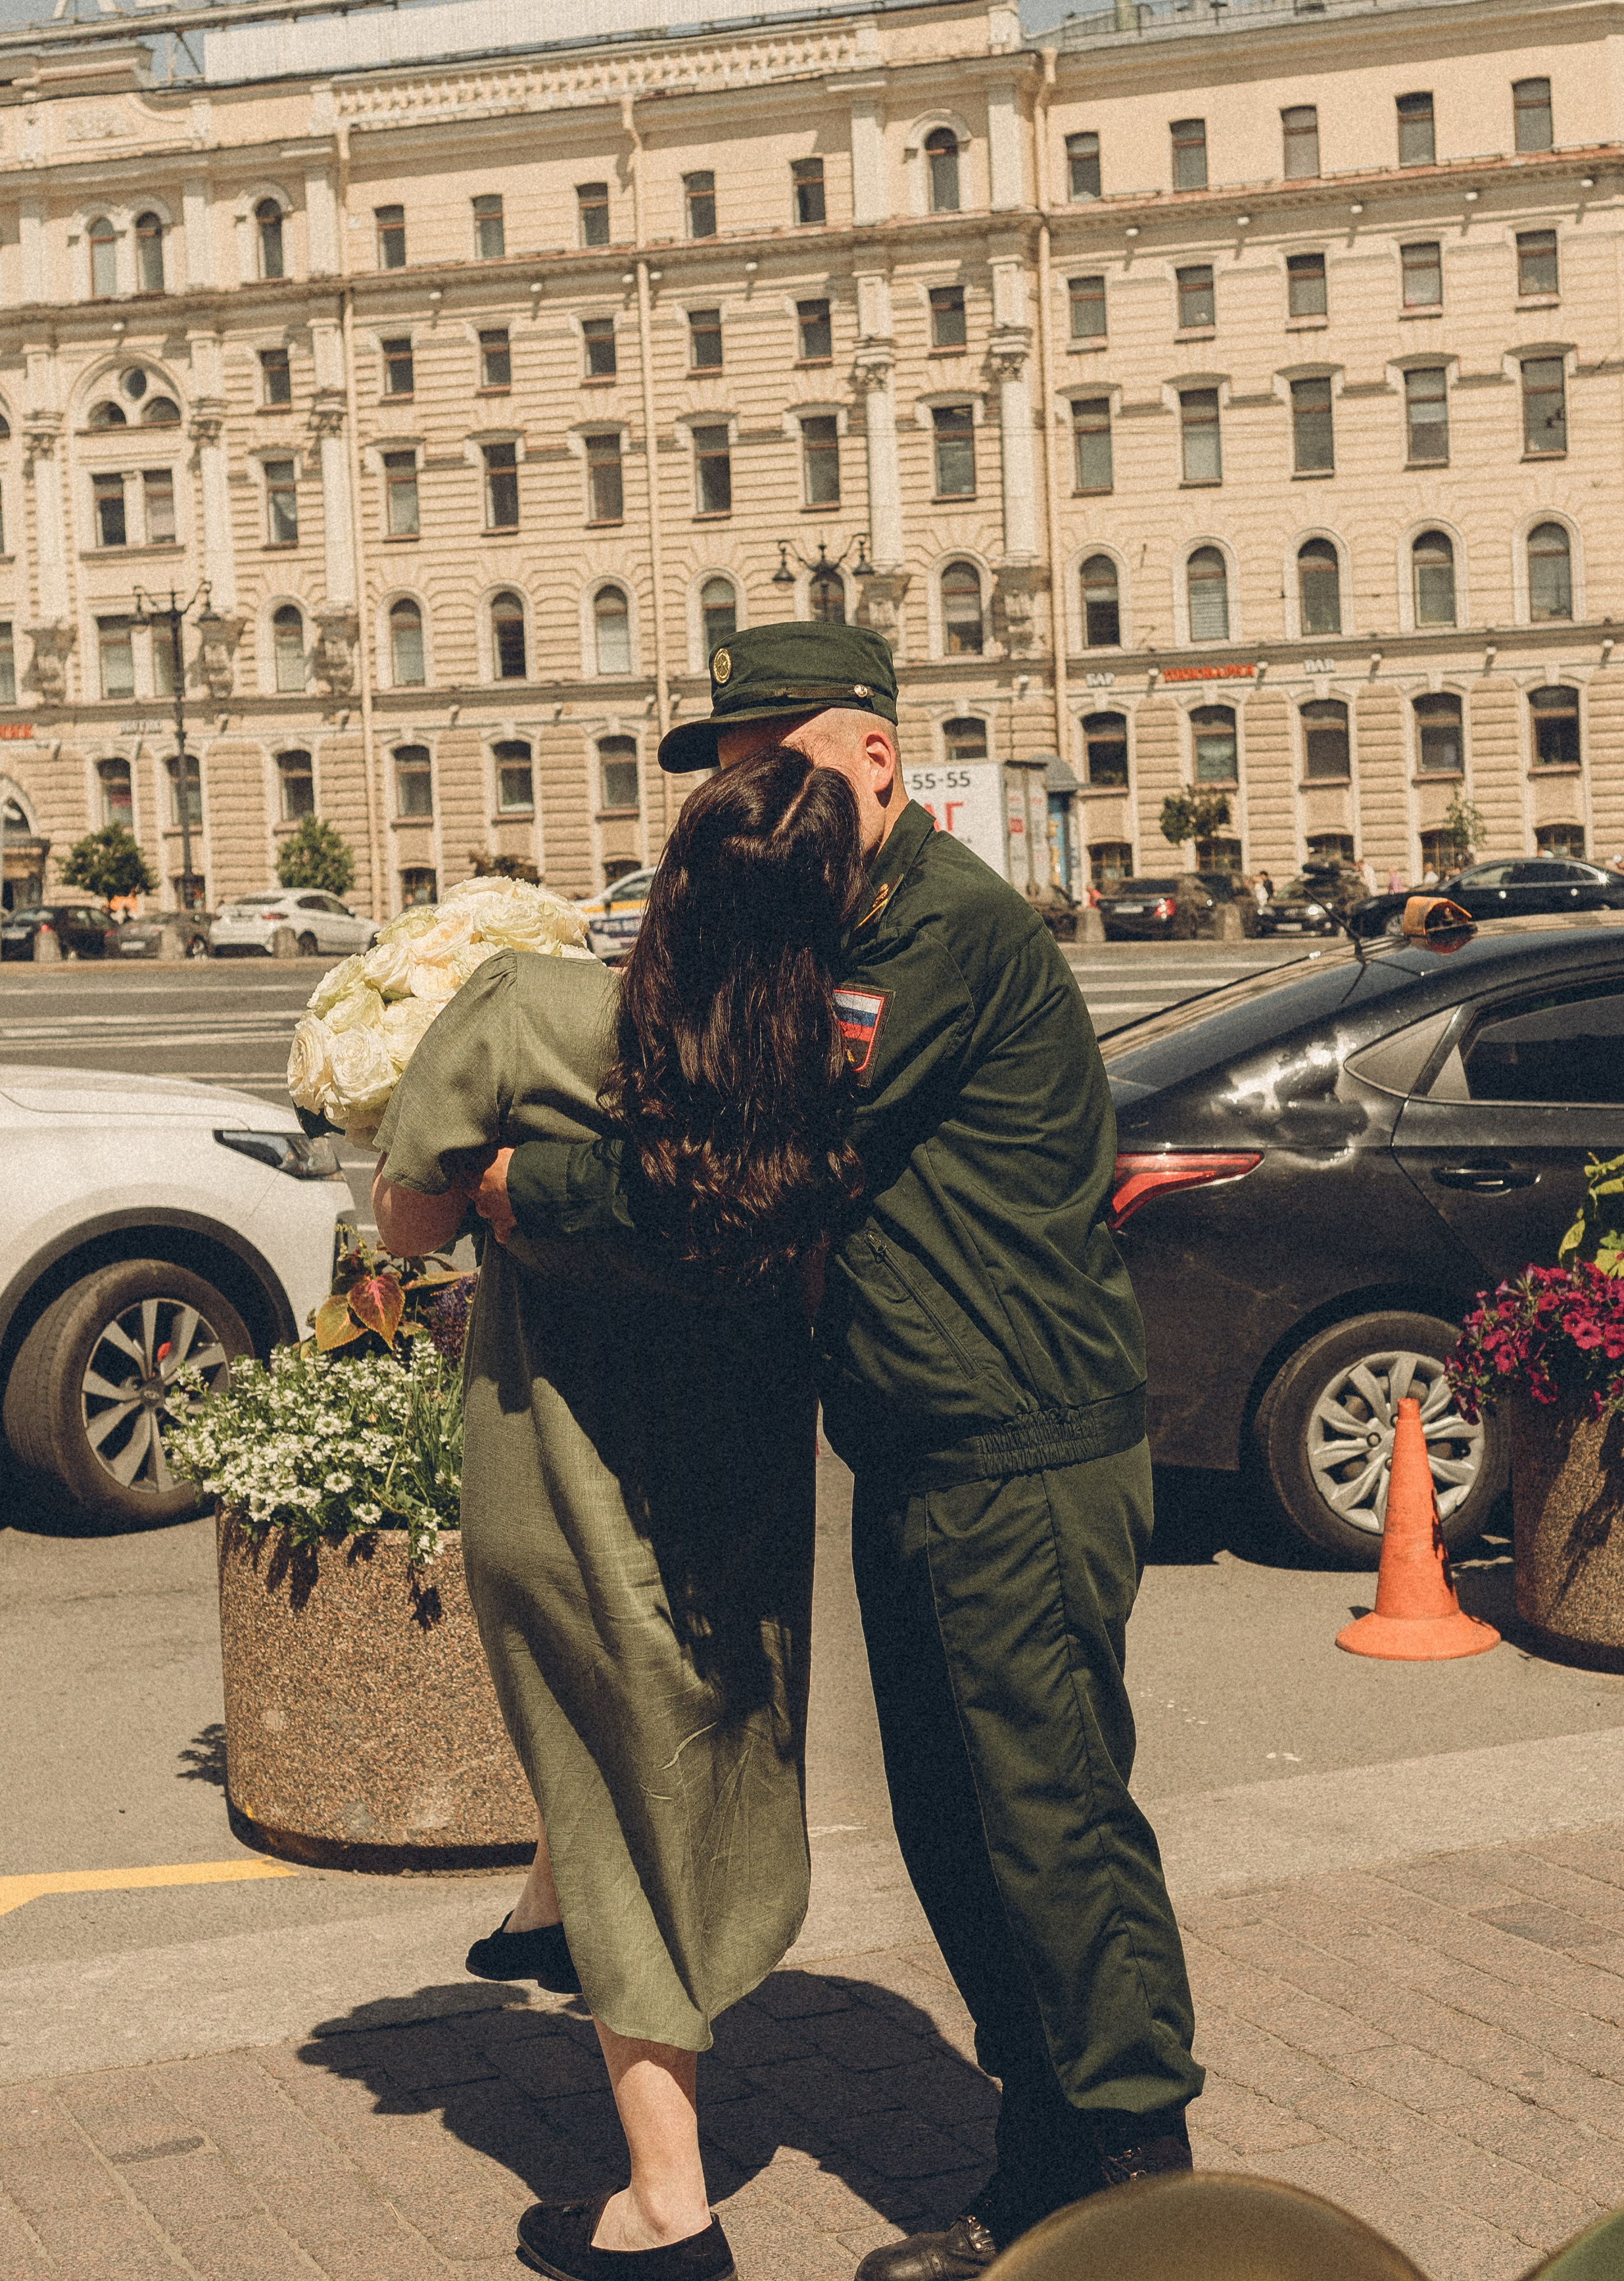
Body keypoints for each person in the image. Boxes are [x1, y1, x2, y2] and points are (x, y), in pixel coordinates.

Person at [487, 624, 1204, 2277]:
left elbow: (765, 1152)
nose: (753, 799)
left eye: (775, 763)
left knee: (1050, 1828)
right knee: (963, 1835)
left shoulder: (937, 934)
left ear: (875, 759)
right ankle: (1045, 2178)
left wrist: (533, 1192)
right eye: (731, 776)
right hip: (925, 1448)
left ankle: (1140, 2201)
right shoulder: (838, 924)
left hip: (1016, 1454)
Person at [374, 749, 868, 2281]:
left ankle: (666, 2205)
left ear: (669, 888)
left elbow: (407, 1216)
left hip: (561, 1472)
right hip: (739, 1483)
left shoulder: (525, 1010)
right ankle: (555, 1911)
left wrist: (502, 1185)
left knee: (608, 1790)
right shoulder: (828, 1069)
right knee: (695, 1750)